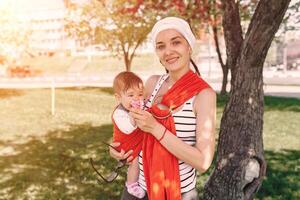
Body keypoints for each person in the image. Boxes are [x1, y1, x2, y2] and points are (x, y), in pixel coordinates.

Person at [110, 17, 216, 200]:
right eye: (161, 46)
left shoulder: (203, 95)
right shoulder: (152, 84)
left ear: (189, 46)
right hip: (138, 189)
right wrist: (118, 149)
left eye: (176, 42)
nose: (168, 51)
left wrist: (156, 128)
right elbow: (134, 127)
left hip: (177, 193)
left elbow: (203, 162)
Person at [111, 71, 146, 199]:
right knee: (135, 161)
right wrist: (133, 115)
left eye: (140, 94)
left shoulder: (137, 107)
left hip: (135, 140)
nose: (136, 98)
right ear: (119, 98)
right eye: (130, 95)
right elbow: (128, 129)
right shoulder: (119, 113)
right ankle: (131, 185)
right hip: (126, 143)